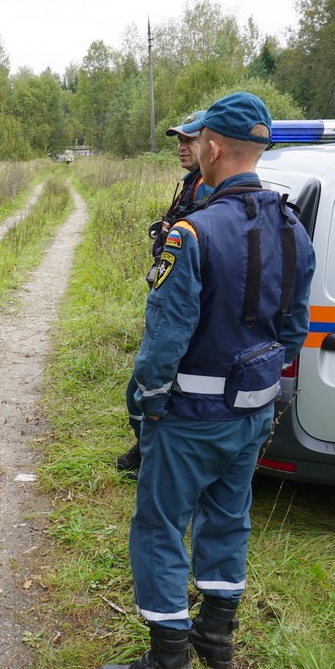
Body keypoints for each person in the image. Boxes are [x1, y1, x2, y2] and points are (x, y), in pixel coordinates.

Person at [96, 92, 315, 669]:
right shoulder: (295, 229)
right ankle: (216, 634)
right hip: (253, 411)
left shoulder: (191, 234)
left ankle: (167, 663)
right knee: (228, 517)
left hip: (190, 416)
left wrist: (146, 406)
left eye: (199, 144)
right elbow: (293, 328)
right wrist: (263, 388)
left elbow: (164, 343)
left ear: (214, 148)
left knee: (161, 526)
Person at [116, 110, 214, 479]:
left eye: (189, 140)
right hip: (168, 297)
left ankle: (155, 458)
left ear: (211, 144)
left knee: (147, 389)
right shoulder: (192, 182)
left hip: (186, 307)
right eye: (178, 141)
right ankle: (145, 449)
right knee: (142, 388)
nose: (181, 147)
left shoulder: (211, 187)